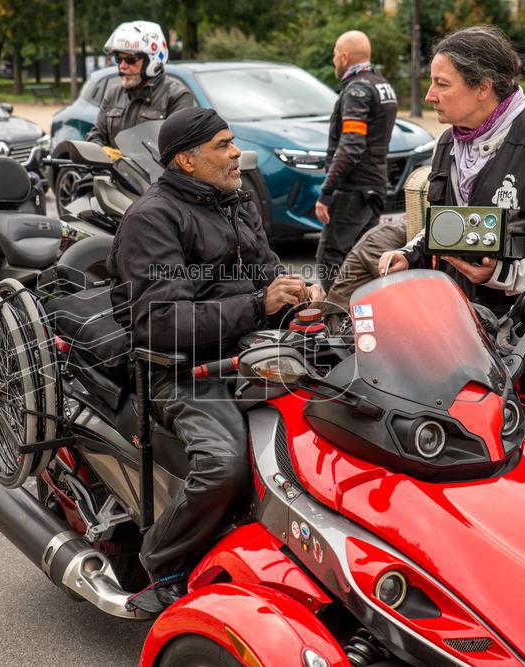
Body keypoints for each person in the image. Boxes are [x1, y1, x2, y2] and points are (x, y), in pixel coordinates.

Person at [108, 106, 323, 612]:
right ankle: (161, 561)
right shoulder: (153, 218)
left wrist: (298, 292)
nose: (235, 154)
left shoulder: (234, 200)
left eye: (233, 143)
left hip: (254, 352)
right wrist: (257, 305)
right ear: (185, 160)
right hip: (182, 368)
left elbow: (267, 272)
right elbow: (161, 321)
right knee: (224, 465)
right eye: (223, 145)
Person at [378, 26, 525, 454]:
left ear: (483, 87)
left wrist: (504, 272)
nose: (429, 95)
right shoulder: (448, 143)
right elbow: (451, 223)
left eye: (442, 84)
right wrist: (412, 253)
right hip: (459, 336)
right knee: (466, 457)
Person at [314, 30, 398, 291]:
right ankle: (370, 313)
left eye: (334, 56)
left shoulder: (357, 88)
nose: (334, 61)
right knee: (366, 256)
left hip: (353, 190)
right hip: (375, 185)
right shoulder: (382, 85)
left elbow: (351, 145)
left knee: (330, 257)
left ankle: (333, 320)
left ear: (344, 57)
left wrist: (326, 192)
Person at [85, 20, 195, 149]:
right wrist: (100, 151)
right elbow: (97, 135)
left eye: (130, 60)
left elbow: (179, 148)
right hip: (114, 169)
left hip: (154, 169)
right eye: (119, 59)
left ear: (153, 60)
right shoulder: (113, 94)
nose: (122, 66)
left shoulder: (177, 96)